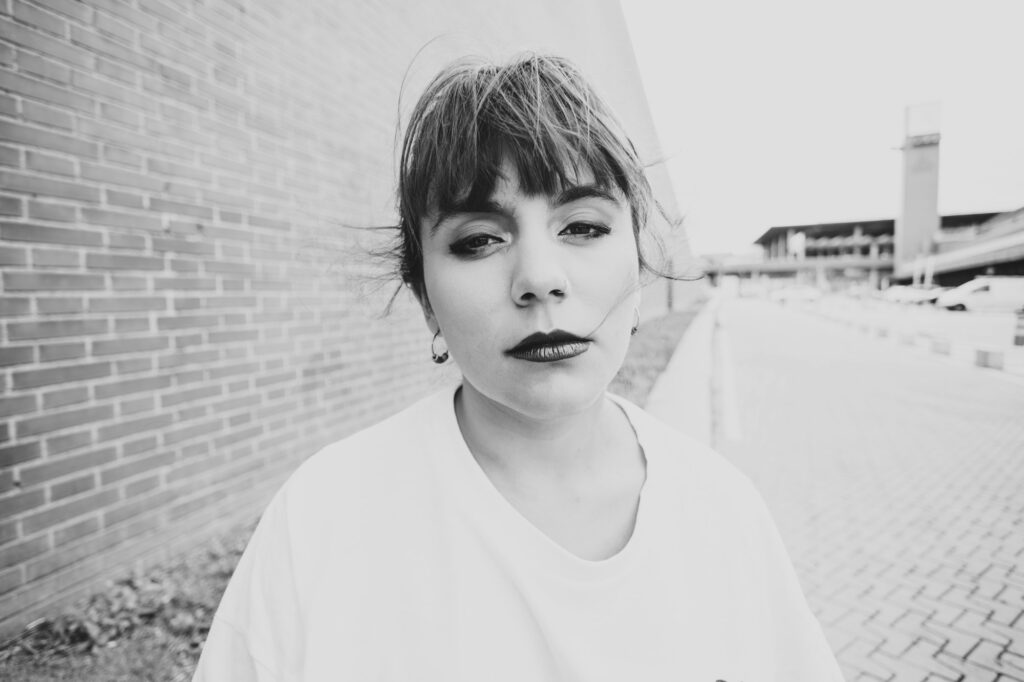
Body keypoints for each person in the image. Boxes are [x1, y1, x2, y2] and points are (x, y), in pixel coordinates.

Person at [193, 54, 844, 681]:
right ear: (426, 300)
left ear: (639, 268)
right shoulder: (321, 524)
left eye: (583, 227)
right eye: (479, 240)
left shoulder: (722, 514)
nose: (538, 278)